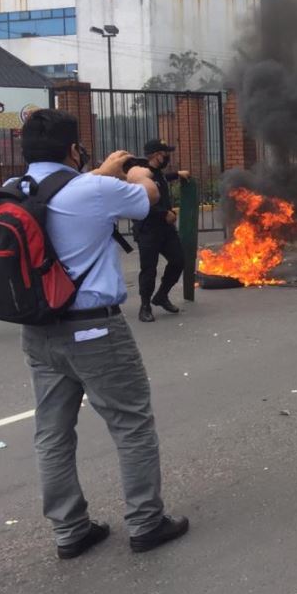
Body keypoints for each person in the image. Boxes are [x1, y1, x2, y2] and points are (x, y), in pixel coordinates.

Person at [13, 109, 189, 558]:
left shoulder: (13, 192)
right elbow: (148, 193)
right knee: (132, 425)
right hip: (94, 331)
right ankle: (146, 523)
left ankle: (70, 531)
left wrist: (99, 173)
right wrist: (126, 168)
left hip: (38, 331)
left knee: (52, 433)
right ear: (74, 149)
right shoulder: (92, 187)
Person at [134, 139, 189, 323]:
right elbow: (137, 202)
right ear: (157, 155)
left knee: (178, 260)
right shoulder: (141, 175)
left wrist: (177, 174)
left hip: (166, 230)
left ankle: (161, 296)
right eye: (165, 153)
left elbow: (163, 179)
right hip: (148, 229)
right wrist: (163, 213)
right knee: (149, 269)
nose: (168, 157)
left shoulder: (158, 173)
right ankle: (145, 306)